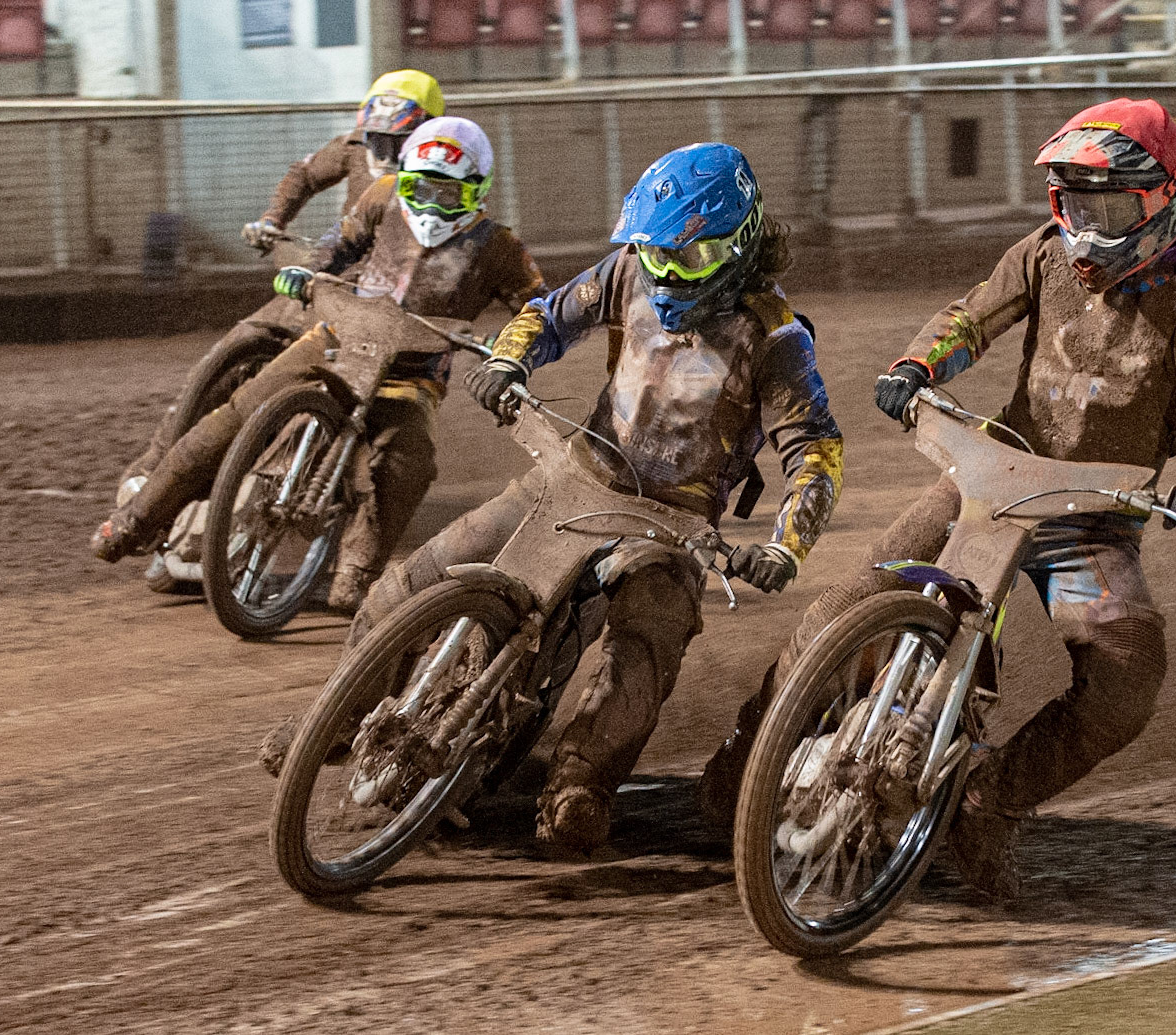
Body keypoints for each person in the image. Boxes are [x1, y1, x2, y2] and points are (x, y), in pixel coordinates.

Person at [699, 98, 1176, 901]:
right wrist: (916, 364)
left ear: (1164, 198)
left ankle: (989, 800)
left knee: (1127, 676)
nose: (1086, 224)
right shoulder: (1043, 254)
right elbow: (972, 315)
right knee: (845, 606)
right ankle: (743, 766)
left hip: (1092, 518)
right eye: (1074, 204)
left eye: (1107, 206)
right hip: (989, 477)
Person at [339, 142, 845, 855]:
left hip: (672, 521)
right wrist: (513, 357)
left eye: (691, 258)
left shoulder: (777, 338)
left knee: (644, 645)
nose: (669, 273)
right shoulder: (627, 272)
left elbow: (815, 450)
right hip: (573, 471)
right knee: (408, 584)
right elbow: (547, 315)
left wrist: (783, 547)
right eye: (658, 253)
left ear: (743, 242)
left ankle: (579, 785)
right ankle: (331, 722)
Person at [92, 116, 548, 612]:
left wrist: (508, 350)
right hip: (334, 339)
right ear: (405, 178)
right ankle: (135, 520)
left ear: (478, 191)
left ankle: (355, 577)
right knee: (230, 418)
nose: (433, 204)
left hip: (413, 374)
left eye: (449, 194)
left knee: (406, 464)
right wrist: (304, 269)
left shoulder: (502, 247)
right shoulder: (382, 196)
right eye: (423, 188)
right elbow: (339, 242)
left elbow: (538, 308)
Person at [117, 70, 447, 536]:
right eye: (378, 138)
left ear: (427, 132)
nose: (386, 152)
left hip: (383, 307)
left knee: (353, 400)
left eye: (399, 140)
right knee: (237, 347)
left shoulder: (447, 177)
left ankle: (302, 506)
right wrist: (272, 219)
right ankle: (150, 469)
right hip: (329, 279)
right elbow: (305, 174)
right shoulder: (353, 150)